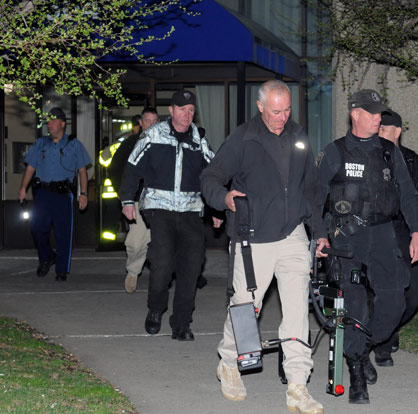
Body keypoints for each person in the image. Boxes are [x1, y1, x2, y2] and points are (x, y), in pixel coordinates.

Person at [201, 79, 327, 414]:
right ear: (260, 107)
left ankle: (298, 385)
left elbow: (311, 189)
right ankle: (229, 362)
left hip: (292, 236)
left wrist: (321, 232)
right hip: (253, 238)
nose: (282, 117)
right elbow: (210, 177)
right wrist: (223, 198)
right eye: (275, 111)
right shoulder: (243, 138)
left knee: (298, 311)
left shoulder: (298, 136)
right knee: (245, 306)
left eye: (286, 110)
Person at [317, 89, 418, 404]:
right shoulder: (335, 152)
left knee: (395, 303)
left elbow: (407, 194)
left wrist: (417, 232)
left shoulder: (390, 152)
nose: (379, 118)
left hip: (384, 235)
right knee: (355, 306)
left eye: (380, 113)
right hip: (347, 238)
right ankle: (356, 378)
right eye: (373, 113)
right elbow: (314, 195)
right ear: (356, 114)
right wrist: (320, 235)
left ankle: (362, 348)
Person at [120, 90, 219, 341]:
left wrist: (218, 208)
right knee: (162, 266)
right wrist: (127, 200)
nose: (187, 114)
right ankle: (155, 309)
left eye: (191, 110)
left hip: (190, 213)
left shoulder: (199, 140)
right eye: (182, 109)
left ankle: (182, 323)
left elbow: (213, 175)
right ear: (172, 111)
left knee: (191, 269)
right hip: (160, 211)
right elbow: (132, 168)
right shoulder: (152, 136)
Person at [373, 109, 418, 367]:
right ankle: (382, 342)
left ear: (397, 131)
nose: (378, 133)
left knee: (415, 292)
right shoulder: (370, 158)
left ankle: (383, 328)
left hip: (407, 233)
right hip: (379, 234)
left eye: (383, 129)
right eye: (376, 128)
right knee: (385, 292)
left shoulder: (412, 161)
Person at [18, 107, 91, 282]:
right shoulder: (41, 143)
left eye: (52, 121)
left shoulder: (74, 144)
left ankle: (61, 269)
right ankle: (47, 257)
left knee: (63, 233)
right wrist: (22, 188)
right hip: (42, 193)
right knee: (37, 229)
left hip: (63, 194)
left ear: (62, 124)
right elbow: (30, 168)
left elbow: (82, 171)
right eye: (47, 121)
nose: (48, 124)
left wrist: (84, 194)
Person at [107, 107, 159, 294]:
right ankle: (133, 270)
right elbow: (113, 168)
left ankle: (165, 276)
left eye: (155, 121)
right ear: (141, 123)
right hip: (137, 199)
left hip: (162, 201)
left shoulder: (166, 142)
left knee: (164, 241)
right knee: (136, 242)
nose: (152, 125)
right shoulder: (131, 143)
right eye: (148, 121)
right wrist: (122, 193)